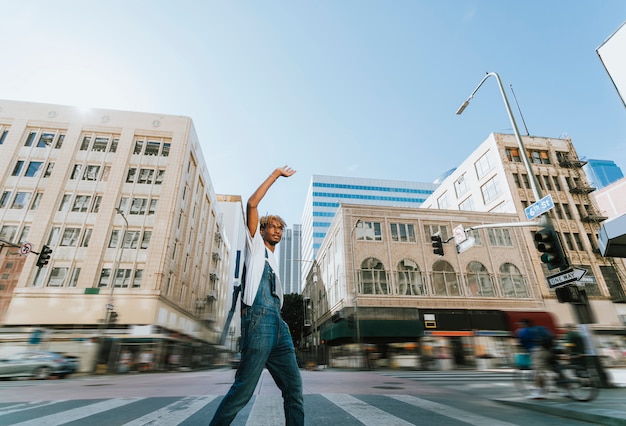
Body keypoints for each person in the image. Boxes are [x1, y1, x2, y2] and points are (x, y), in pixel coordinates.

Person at [210, 166, 304, 426]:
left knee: (294, 391)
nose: (277, 231)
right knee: (243, 391)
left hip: (279, 327)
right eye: (271, 227)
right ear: (261, 230)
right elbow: (252, 204)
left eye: (280, 228)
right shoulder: (254, 247)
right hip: (259, 321)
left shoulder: (273, 259)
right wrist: (275, 175)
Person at [515, 318, 554, 399]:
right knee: (553, 368)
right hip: (548, 350)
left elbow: (520, 343)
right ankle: (567, 388)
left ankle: (537, 393)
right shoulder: (540, 328)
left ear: (524, 324)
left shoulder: (523, 331)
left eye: (521, 324)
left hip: (537, 352)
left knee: (538, 372)